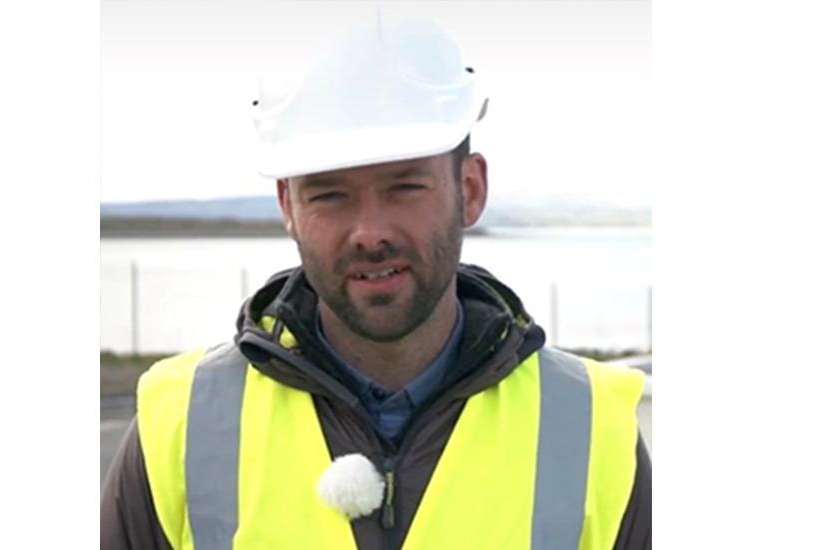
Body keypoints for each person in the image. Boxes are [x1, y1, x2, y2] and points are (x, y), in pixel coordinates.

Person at [101, 13, 651, 550]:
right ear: (287, 205)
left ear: (471, 188)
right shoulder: (180, 427)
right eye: (329, 193)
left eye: (404, 186)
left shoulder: (592, 432)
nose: (369, 232)